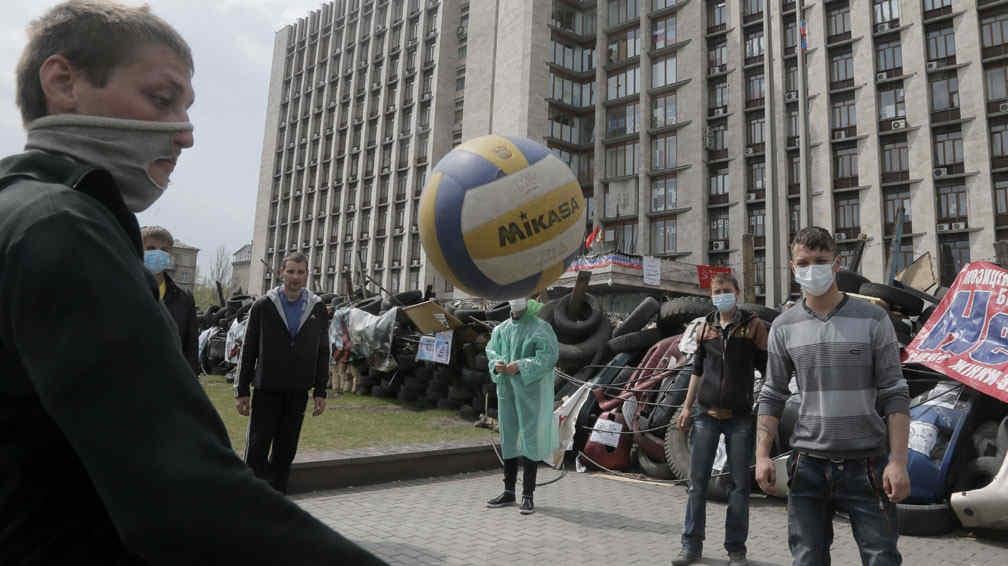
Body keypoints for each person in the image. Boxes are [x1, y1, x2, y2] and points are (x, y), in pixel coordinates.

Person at [0, 2, 381, 562]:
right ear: (63, 82)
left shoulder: (19, 209)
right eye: (161, 99)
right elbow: (184, 496)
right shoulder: (64, 229)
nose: (186, 136)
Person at [755, 227, 910, 566]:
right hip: (808, 464)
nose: (812, 269)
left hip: (867, 464)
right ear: (793, 268)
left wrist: (898, 461)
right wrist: (763, 455)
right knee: (807, 558)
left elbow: (895, 392)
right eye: (804, 262)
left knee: (881, 558)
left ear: (837, 263)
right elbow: (772, 394)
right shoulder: (783, 326)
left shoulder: (873, 318)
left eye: (820, 261)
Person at [673, 273, 768, 566]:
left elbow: (767, 370)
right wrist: (687, 407)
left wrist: (765, 405)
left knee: (739, 486)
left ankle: (736, 550)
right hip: (705, 416)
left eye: (726, 290)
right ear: (711, 295)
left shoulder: (753, 326)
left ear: (737, 292)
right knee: (697, 483)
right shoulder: (704, 329)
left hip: (740, 418)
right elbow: (697, 372)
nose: (722, 295)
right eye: (717, 291)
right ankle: (691, 547)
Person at [236, 252, 330, 494]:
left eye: (300, 272)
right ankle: (253, 498)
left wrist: (321, 390)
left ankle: (279, 499)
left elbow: (323, 351)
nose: (295, 277)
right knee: (257, 448)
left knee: (286, 450)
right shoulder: (263, 306)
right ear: (280, 273)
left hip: (298, 391)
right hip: (267, 389)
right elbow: (249, 348)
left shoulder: (317, 307)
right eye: (290, 271)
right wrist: (242, 390)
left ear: (307, 274)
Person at [484, 297, 559, 515]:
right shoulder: (500, 329)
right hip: (507, 390)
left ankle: (528, 494)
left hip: (530, 393)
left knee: (530, 438)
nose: (515, 303)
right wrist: (496, 364)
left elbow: (548, 356)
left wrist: (522, 365)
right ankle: (509, 491)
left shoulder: (540, 328)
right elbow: (492, 351)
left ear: (527, 301)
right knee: (508, 436)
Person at [141, 225, 199, 375]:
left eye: (164, 250)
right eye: (151, 248)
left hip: (170, 379)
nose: (158, 253)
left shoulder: (184, 298)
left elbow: (190, 347)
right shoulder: (125, 290)